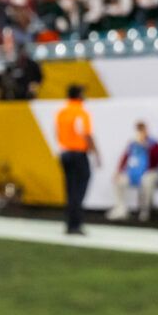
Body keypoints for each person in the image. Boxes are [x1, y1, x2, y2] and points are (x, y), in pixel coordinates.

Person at [55, 84, 97, 234]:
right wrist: (96, 152)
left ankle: (70, 223)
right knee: (79, 190)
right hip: (78, 154)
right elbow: (86, 134)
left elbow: (57, 133)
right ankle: (75, 223)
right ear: (79, 95)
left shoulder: (62, 112)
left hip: (65, 153)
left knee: (70, 189)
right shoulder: (80, 112)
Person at [108, 121, 158, 223]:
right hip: (133, 172)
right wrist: (119, 171)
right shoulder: (132, 143)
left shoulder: (154, 144)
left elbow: (156, 161)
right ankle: (121, 208)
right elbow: (125, 158)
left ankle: (145, 210)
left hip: (148, 171)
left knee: (146, 181)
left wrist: (146, 147)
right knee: (119, 180)